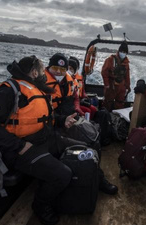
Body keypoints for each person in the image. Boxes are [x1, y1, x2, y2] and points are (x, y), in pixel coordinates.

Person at [0, 55, 77, 225]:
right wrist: (18, 145)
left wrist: (61, 120)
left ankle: (94, 179)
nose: (45, 73)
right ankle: (40, 205)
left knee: (82, 149)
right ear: (35, 72)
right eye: (43, 69)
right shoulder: (10, 90)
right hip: (13, 148)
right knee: (62, 174)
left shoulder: (35, 89)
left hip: (38, 139)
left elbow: (40, 117)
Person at [45, 53, 118, 195]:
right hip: (51, 127)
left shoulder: (68, 81)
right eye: (55, 69)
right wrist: (62, 119)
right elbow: (40, 112)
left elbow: (74, 98)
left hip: (67, 121)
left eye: (62, 69)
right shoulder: (41, 83)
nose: (59, 73)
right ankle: (97, 180)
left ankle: (95, 178)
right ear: (48, 68)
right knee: (89, 146)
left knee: (95, 137)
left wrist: (76, 111)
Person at [101, 42, 131, 111]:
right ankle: (105, 116)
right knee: (107, 102)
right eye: (121, 51)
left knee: (120, 104)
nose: (123, 53)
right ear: (119, 51)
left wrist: (128, 87)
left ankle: (117, 118)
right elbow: (104, 72)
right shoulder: (110, 59)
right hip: (111, 85)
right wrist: (107, 84)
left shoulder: (126, 63)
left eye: (124, 52)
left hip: (121, 87)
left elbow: (127, 76)